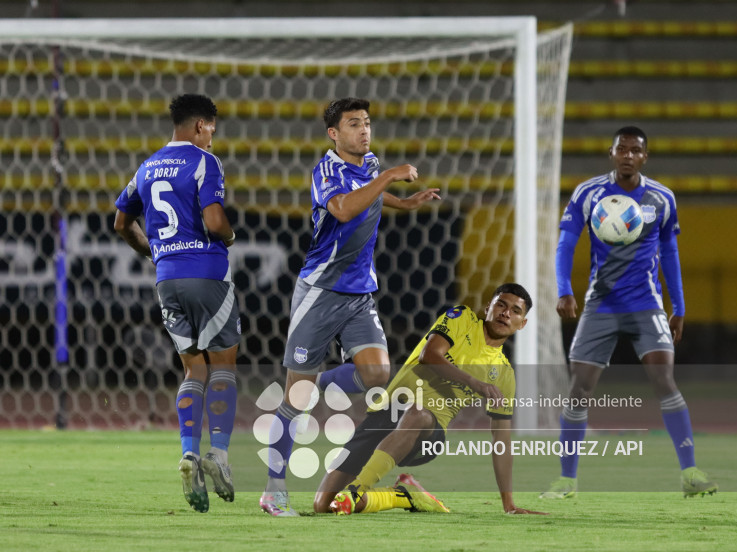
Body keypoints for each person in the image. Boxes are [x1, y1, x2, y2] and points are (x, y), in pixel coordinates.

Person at [260, 97, 441, 517]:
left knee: (376, 374)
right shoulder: (327, 170)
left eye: (367, 123)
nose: (364, 131)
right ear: (334, 134)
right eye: (354, 124)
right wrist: (393, 177)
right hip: (320, 292)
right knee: (295, 398)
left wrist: (406, 201)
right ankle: (273, 490)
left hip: (359, 295)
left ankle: (318, 382)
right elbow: (342, 209)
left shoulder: (370, 163)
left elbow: (371, 198)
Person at [540, 125, 717, 500]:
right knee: (579, 391)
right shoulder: (589, 193)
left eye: (636, 151)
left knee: (664, 380)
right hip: (601, 304)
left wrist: (679, 307)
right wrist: (564, 290)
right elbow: (565, 244)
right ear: (611, 153)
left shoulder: (662, 198)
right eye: (622, 149)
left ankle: (690, 473)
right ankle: (566, 480)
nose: (628, 156)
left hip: (646, 304)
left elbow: (670, 253)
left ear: (644, 157)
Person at [313, 283, 545, 516]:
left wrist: (509, 504)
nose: (506, 313)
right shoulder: (462, 318)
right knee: (325, 506)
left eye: (515, 311)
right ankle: (403, 496)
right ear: (488, 308)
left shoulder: (504, 375)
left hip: (426, 432)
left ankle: (357, 488)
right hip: (384, 414)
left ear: (522, 324)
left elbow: (501, 439)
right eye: (501, 305)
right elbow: (429, 355)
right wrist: (475, 383)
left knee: (419, 412)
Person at [114, 94, 240, 513]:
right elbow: (215, 220)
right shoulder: (205, 162)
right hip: (207, 273)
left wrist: (154, 253)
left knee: (192, 368)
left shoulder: (146, 167)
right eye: (212, 129)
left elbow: (120, 222)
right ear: (201, 126)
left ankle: (189, 452)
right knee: (222, 365)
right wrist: (229, 238)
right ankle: (218, 455)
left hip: (167, 277)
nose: (212, 137)